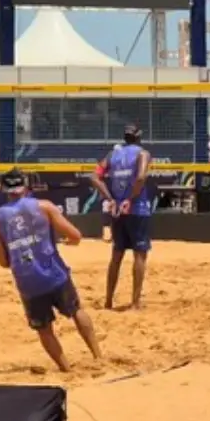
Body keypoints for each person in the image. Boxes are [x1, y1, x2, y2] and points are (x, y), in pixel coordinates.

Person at [0, 169, 102, 372]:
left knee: (44, 329)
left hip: (28, 282)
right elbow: (76, 235)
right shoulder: (44, 207)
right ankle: (98, 356)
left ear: (4, 189)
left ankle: (66, 369)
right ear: (25, 186)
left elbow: (3, 262)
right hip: (54, 273)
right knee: (76, 311)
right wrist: (65, 243)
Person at [92, 125, 152, 310]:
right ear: (139, 137)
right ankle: (135, 303)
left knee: (116, 256)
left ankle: (108, 301)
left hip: (117, 210)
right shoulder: (142, 154)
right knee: (139, 255)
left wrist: (110, 199)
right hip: (137, 208)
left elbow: (94, 177)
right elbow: (141, 177)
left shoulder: (113, 155)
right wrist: (130, 199)